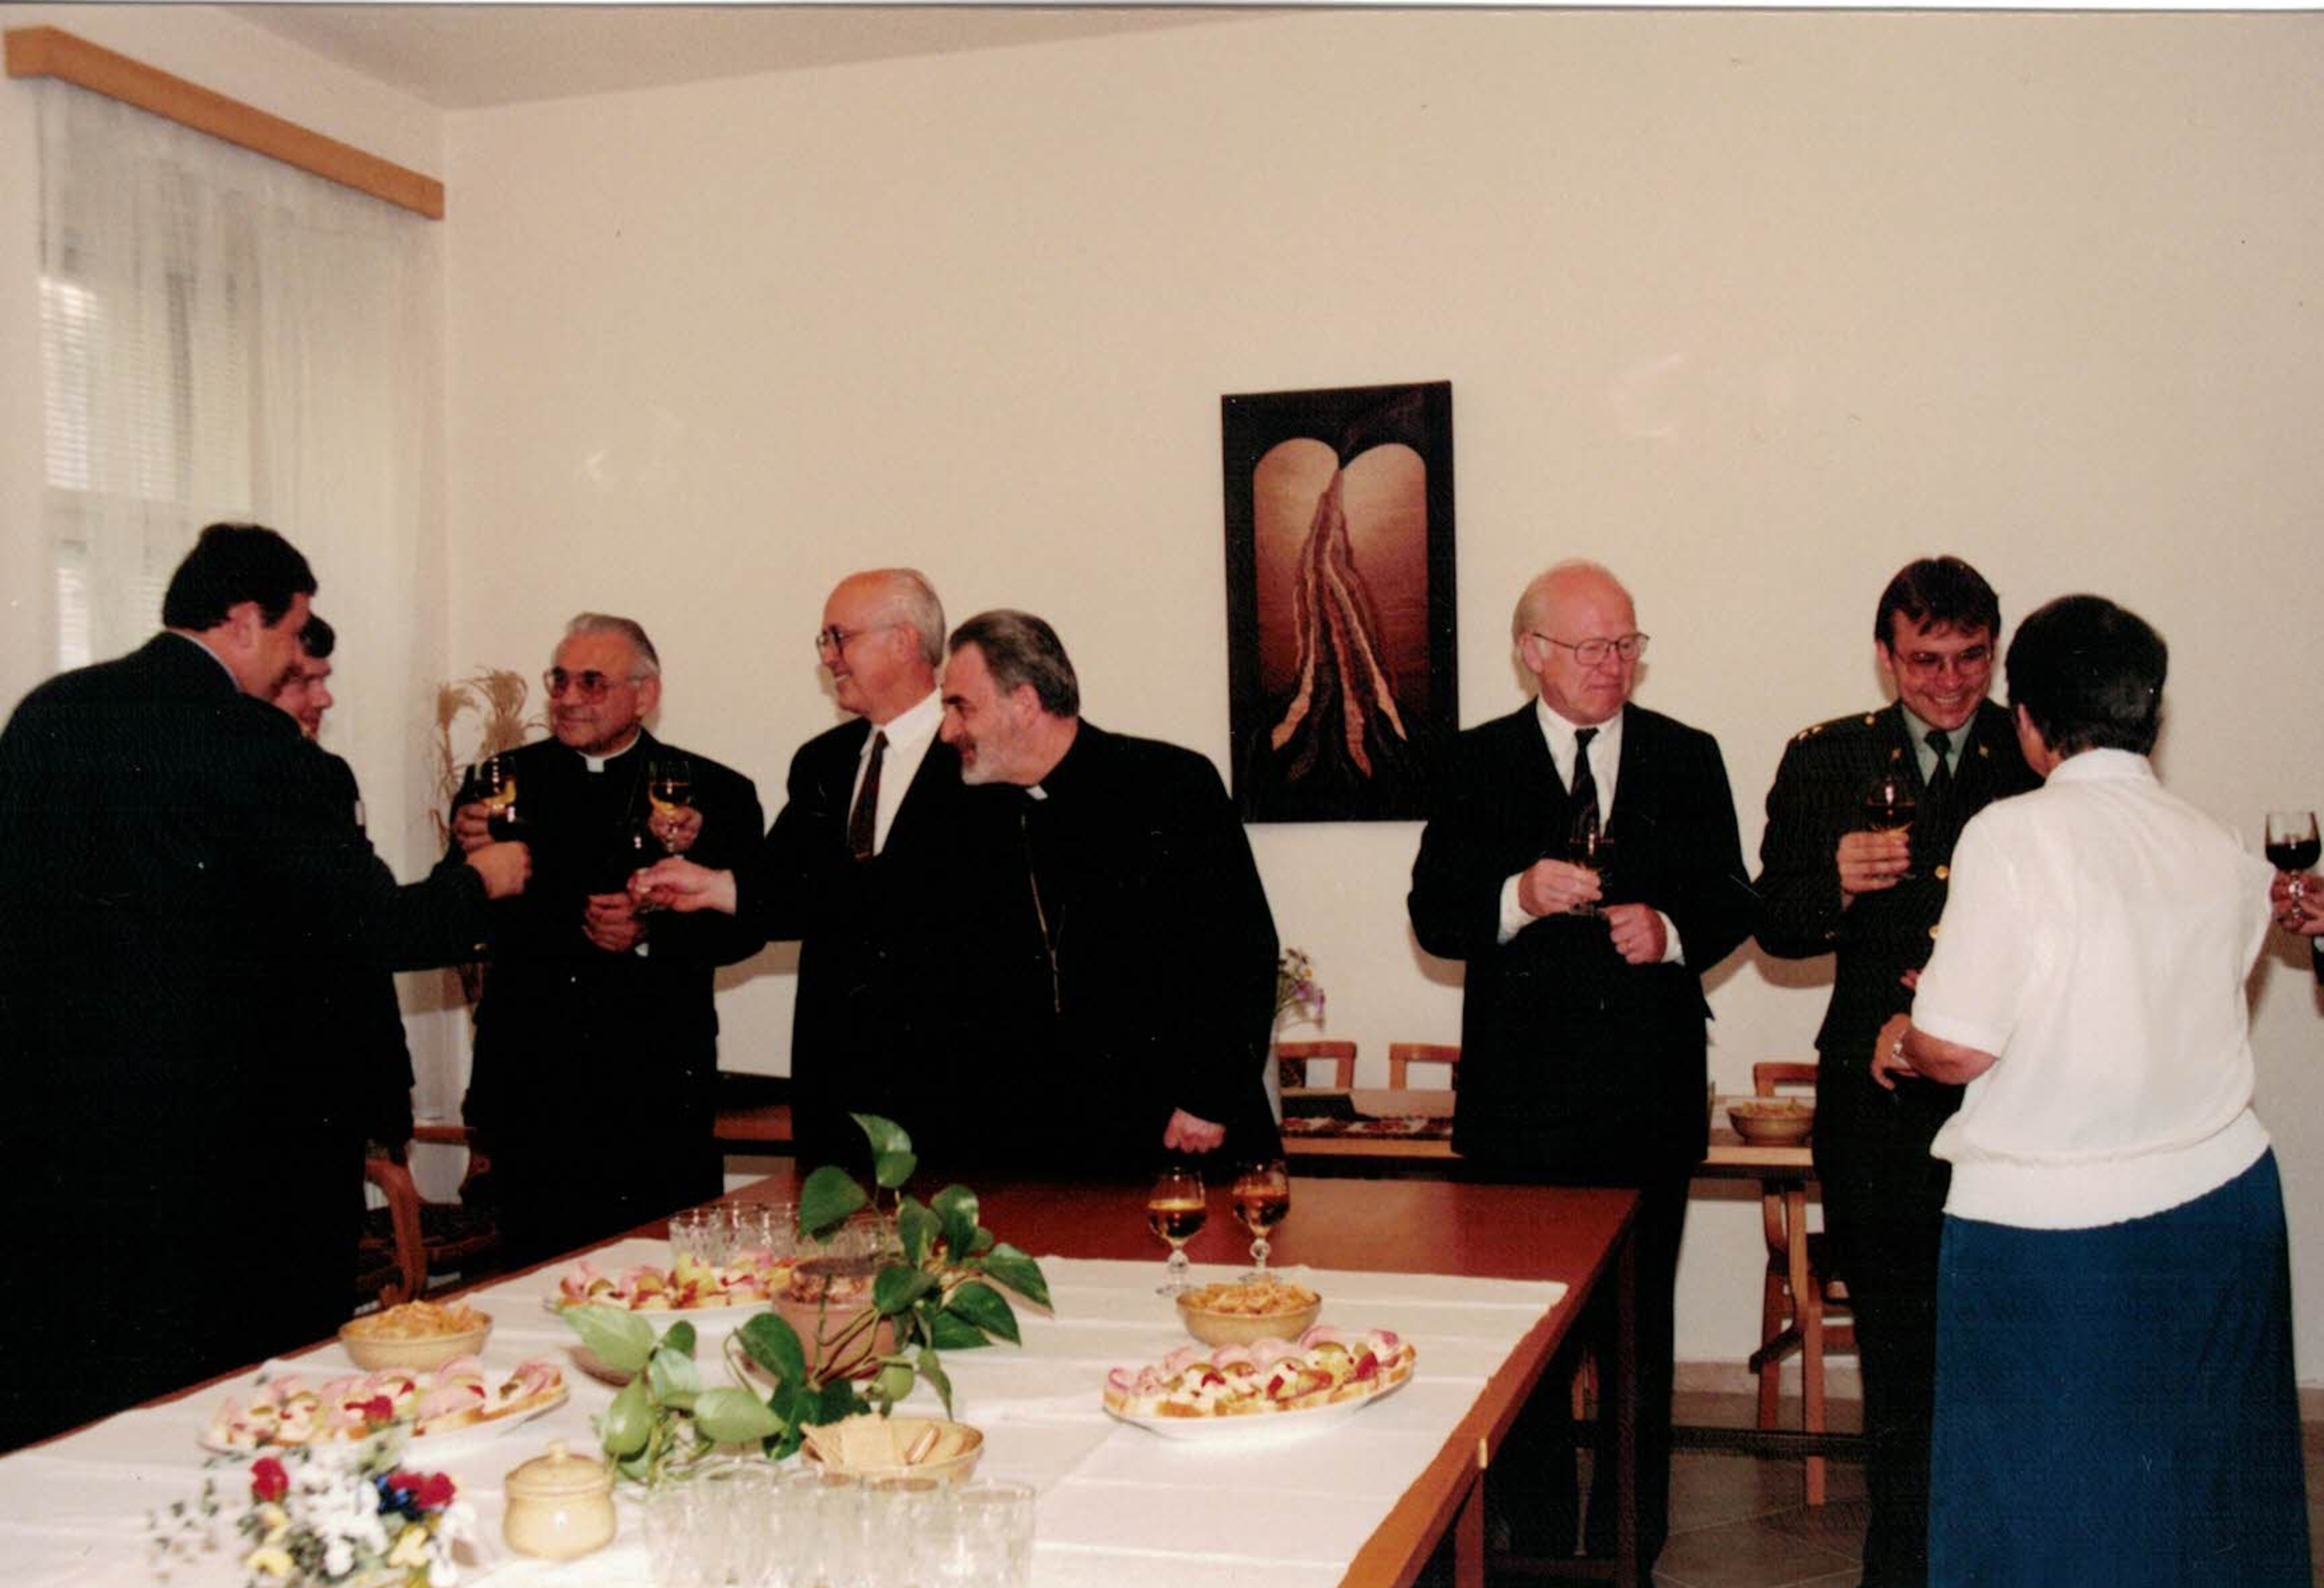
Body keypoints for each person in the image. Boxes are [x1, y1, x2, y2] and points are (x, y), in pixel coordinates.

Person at [0, 524, 528, 1452]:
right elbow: (373, 926)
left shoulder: (51, 712)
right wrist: (479, 882)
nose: (295, 659)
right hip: (236, 1151)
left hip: (67, 1131)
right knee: (250, 1398)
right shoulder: (257, 745)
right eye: (292, 634)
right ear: (245, 620)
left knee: (88, 1391)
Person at [1880, 595, 2309, 1587]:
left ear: (2029, 721)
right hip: (2223, 1207)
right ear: (2149, 711)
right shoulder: (2216, 840)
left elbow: (1958, 1048)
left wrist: (1903, 1035)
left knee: (2047, 1509)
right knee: (2202, 1496)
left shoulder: (2011, 833)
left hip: (2057, 1232)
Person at [1406, 560, 1755, 1579]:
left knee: (1640, 1340)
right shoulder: (1475, 761)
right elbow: (1433, 913)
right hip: (1521, 1107)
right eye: (1593, 647)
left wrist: (1672, 930)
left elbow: (1735, 898)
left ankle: (1627, 1548)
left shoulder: (1687, 754)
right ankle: (1541, 1541)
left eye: (1627, 644)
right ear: (1532, 653)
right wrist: (1514, 895)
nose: (1614, 665)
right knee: (1531, 1342)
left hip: (1647, 1100)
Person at [1751, 555, 2038, 1587]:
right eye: (1925, 660)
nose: (1950, 682)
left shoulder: (2035, 750)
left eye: (1971, 658)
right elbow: (1774, 925)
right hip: (1873, 1105)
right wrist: (1832, 879)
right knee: (1897, 1353)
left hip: (2006, 1094)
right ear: (1885, 656)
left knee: (2009, 1345)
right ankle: (1903, 1565)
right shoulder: (1826, 756)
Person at [634, 570, 1021, 1169]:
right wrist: (706, 880)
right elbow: (783, 886)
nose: (828, 657)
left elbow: (930, 902)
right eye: (824, 641)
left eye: (840, 637)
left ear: (905, 641)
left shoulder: (978, 753)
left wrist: (728, 886)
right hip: (835, 1084)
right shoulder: (823, 762)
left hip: (951, 1083)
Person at [445, 614, 764, 1268]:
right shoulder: (498, 784)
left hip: (654, 1089)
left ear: (645, 694)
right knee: (535, 1284)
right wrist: (474, 867)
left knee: (666, 1284)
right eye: (559, 680)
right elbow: (460, 916)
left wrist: (650, 934)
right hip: (532, 1083)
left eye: (591, 682)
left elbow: (747, 927)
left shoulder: (713, 792)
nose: (567, 698)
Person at [934, 609, 1282, 1175]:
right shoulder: (970, 815)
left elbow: (1241, 950)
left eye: (961, 707)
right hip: (1045, 1146)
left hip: (1181, 1132)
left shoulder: (1169, 784)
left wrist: (1209, 1095)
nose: (948, 731)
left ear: (1024, 703)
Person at [268, 614, 420, 1189]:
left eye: (323, 679)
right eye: (302, 681)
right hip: (290, 1069)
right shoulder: (255, 782)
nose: (323, 698)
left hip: (352, 1052)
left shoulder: (329, 774)